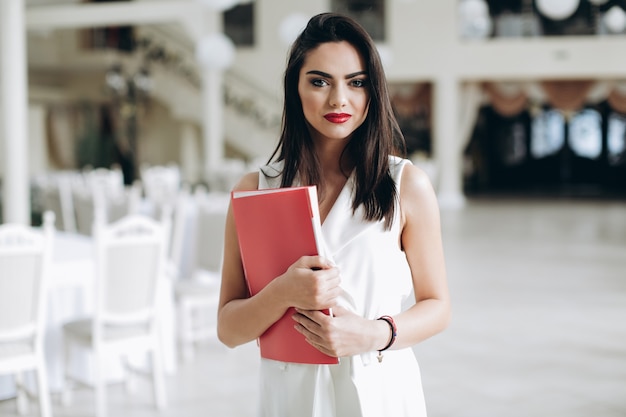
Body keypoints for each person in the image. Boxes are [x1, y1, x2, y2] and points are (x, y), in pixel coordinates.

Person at [217, 12, 450, 417]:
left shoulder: (405, 185)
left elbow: (438, 305)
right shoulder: (254, 189)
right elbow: (228, 329)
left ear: (372, 92)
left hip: (380, 391)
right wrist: (282, 293)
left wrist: (374, 333)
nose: (339, 99)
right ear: (296, 88)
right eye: (320, 81)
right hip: (291, 396)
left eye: (356, 82)